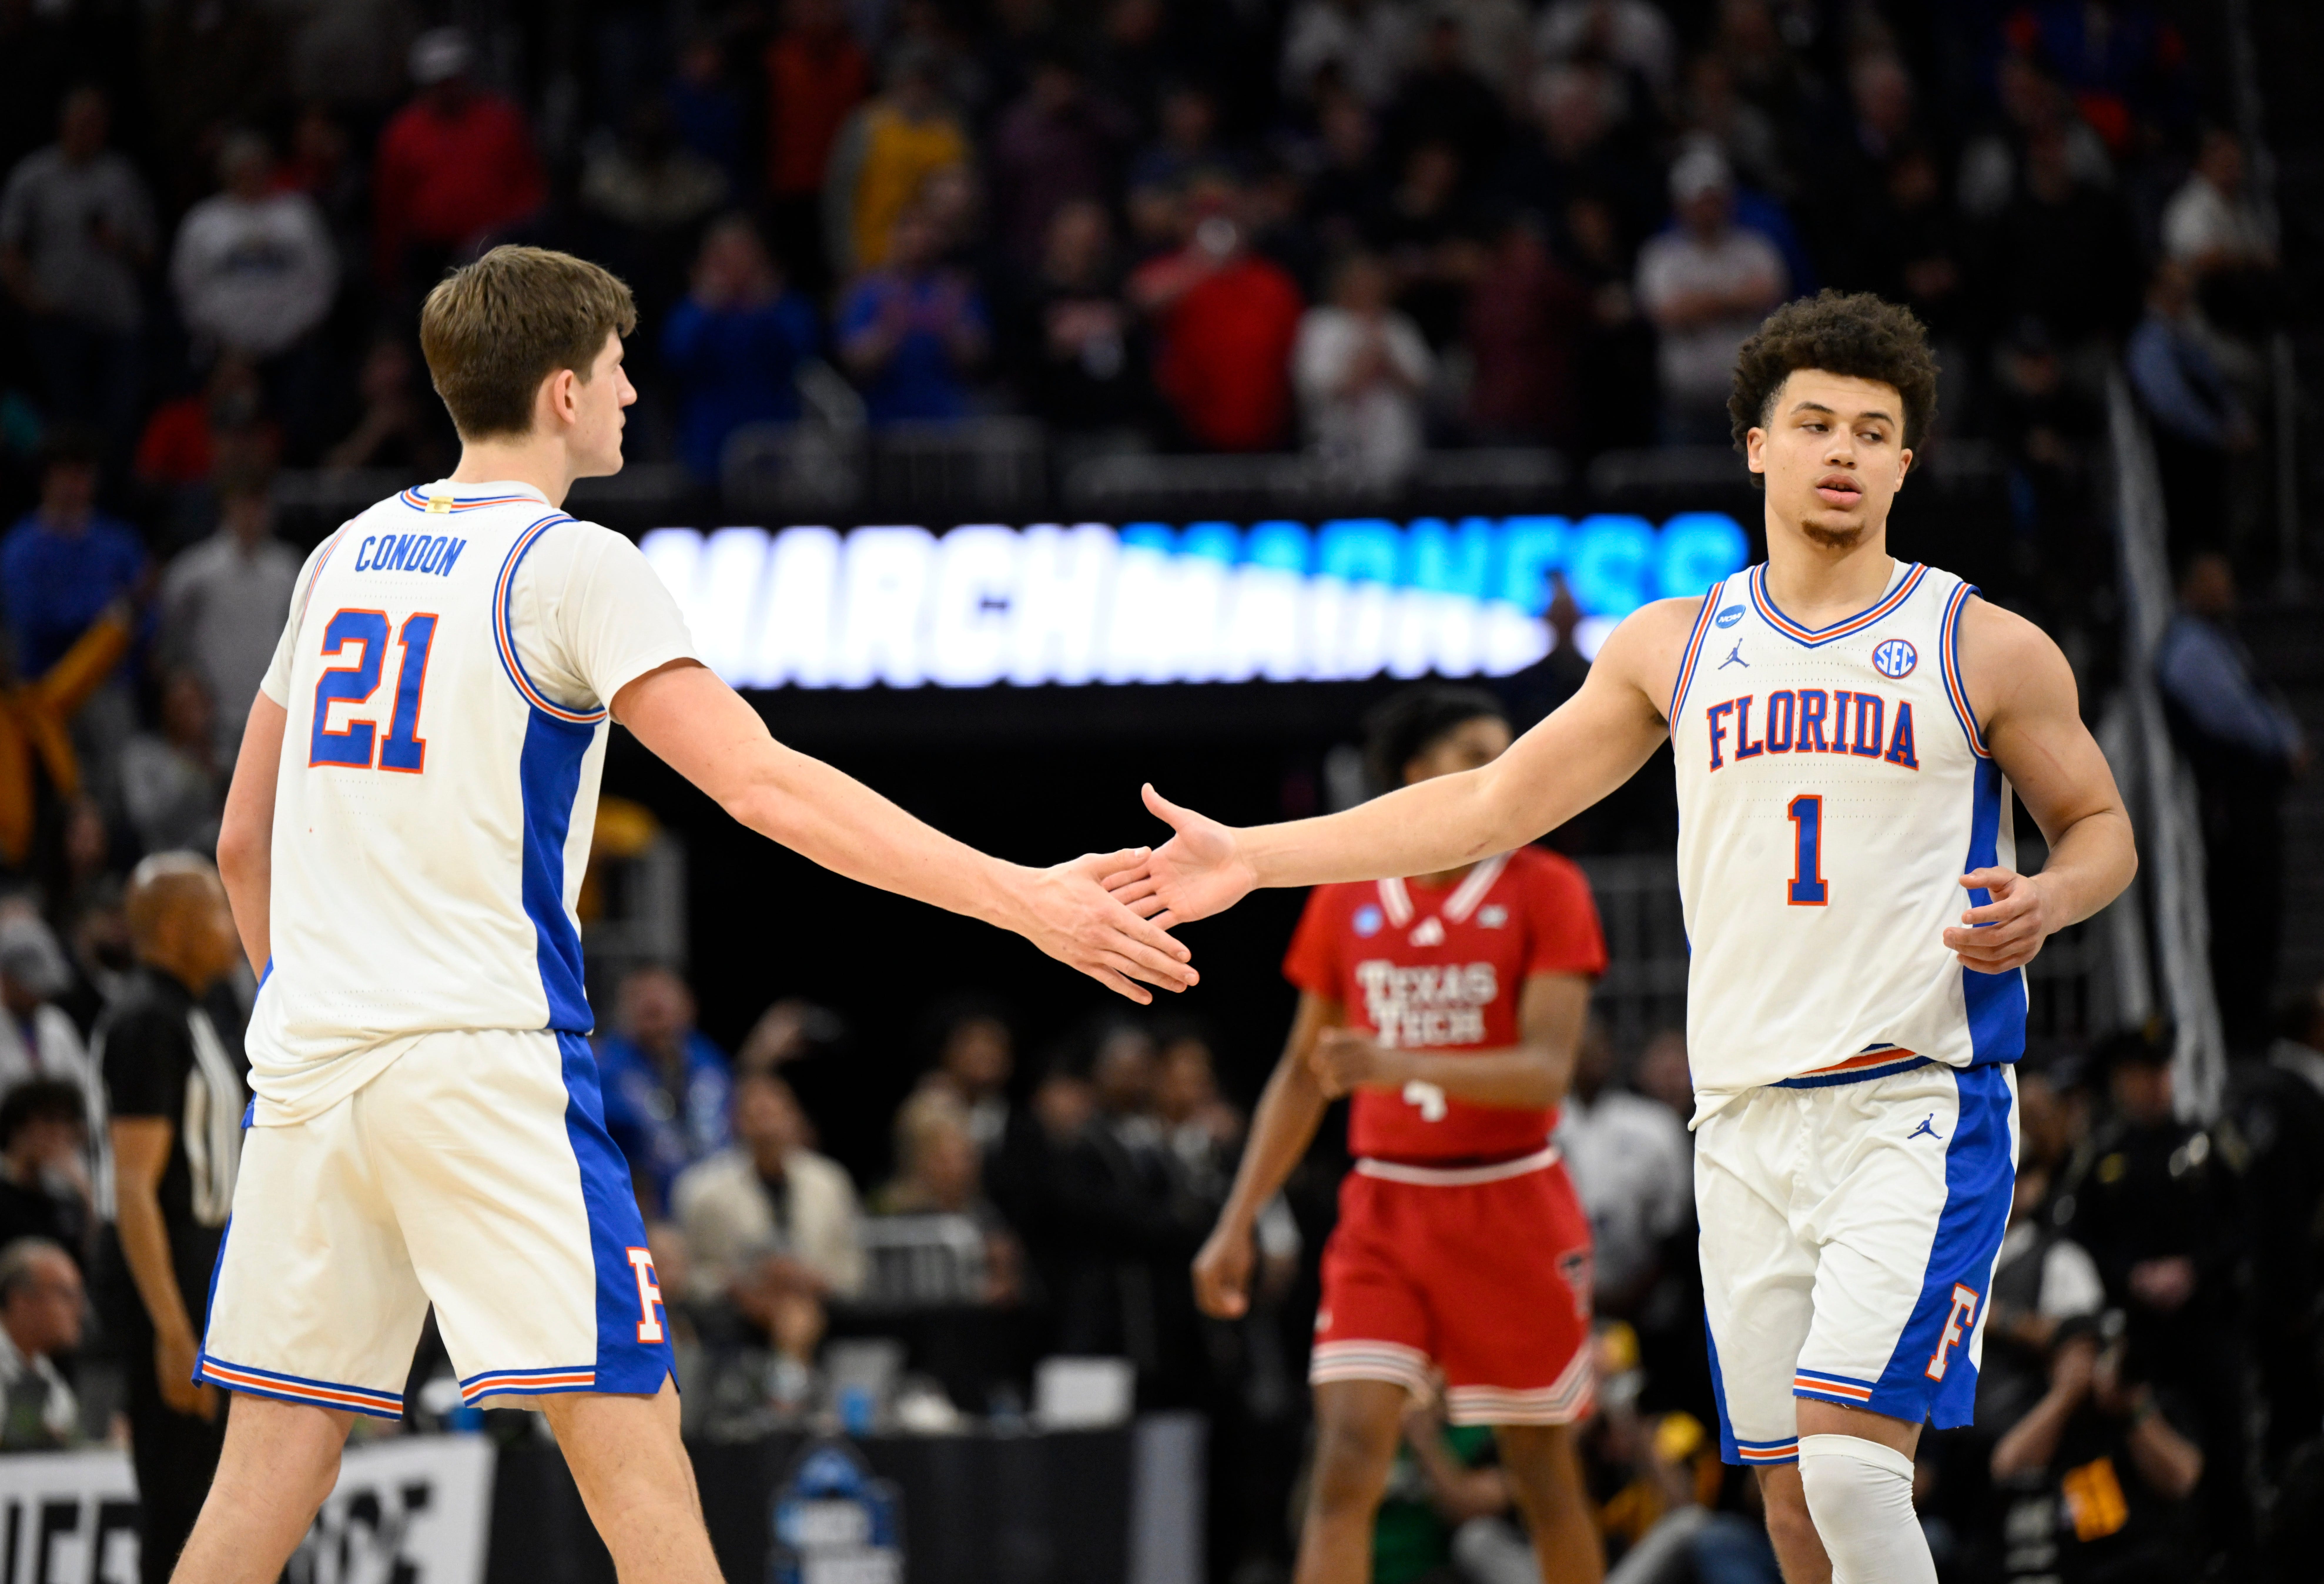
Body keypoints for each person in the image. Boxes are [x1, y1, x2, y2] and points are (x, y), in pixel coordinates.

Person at [181, 243, 1190, 1584]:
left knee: (269, 1471)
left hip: (309, 1070)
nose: (634, 393)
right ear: (557, 393)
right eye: (613, 369)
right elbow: (764, 786)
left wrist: (309, 1015)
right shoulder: (571, 563)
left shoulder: (338, 558)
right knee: (631, 1443)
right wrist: (1021, 900)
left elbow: (242, 842)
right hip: (480, 1063)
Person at [1125, 289, 2139, 1584]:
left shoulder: (1979, 643)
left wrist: (2053, 895)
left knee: (1847, 1465)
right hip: (1738, 1120)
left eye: (1872, 430)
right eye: (1813, 421)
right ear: (1755, 443)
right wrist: (1254, 859)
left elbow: (2104, 823)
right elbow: (1485, 805)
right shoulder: (1679, 643)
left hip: (1912, 1103)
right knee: (1787, 1512)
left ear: (1904, 459)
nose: (1841, 449)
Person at [1190, 682, 1612, 1584]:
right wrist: (1237, 1219)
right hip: (1386, 1205)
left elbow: (1544, 1071)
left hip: (1510, 1201)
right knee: (1344, 1458)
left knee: (1541, 1472)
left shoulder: (1547, 887)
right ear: (1413, 775)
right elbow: (1304, 1076)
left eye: (1510, 753)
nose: (1502, 773)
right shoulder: (1347, 896)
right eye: (1475, 754)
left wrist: (1397, 1063)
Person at [95, 856, 248, 1584]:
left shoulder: (194, 1013)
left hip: (206, 1259)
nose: (231, 926)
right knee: (182, 1499)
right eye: (218, 911)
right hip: (171, 1270)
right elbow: (133, 1187)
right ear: (179, 928)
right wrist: (172, 1328)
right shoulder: (145, 1022)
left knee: (227, 1491)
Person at [2155, 553, 2303, 1051]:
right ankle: (2240, 1036)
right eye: (2216, 583)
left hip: (2247, 803)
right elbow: (2230, 715)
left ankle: (2251, 1029)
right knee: (2241, 920)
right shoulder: (2190, 648)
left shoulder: (2219, 641)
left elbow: (2255, 701)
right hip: (2228, 806)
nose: (2229, 592)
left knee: (2256, 920)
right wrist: (2282, 747)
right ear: (2192, 586)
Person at [0, 87, 155, 443]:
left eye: (99, 124)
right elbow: (9, 250)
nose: (91, 132)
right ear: (64, 124)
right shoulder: (33, 177)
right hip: (59, 321)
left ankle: (112, 497)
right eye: (83, 123)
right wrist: (31, 299)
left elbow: (149, 252)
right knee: (68, 426)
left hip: (119, 323)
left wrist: (120, 244)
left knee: (120, 423)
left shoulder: (121, 176)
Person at [1634, 145, 1786, 444]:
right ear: (1681, 204)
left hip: (1748, 405)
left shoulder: (1755, 249)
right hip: (1686, 407)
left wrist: (1700, 301)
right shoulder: (1661, 256)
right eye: (1700, 202)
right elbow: (1668, 312)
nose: (1708, 209)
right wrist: (1734, 299)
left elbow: (1769, 293)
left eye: (1715, 200)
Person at [671, 1069, 864, 1303]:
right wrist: (740, 1284)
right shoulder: (701, 1189)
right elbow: (687, 1271)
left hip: (823, 1306)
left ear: (795, 1118)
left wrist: (816, 1280)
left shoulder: (830, 1183)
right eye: (757, 1115)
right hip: (734, 1315)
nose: (767, 1126)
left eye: (774, 1113)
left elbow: (852, 1267)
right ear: (735, 1121)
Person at [660, 215, 821, 483]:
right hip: (708, 454)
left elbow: (804, 350)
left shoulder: (781, 307)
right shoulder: (693, 311)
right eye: (725, 256)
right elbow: (676, 355)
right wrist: (707, 305)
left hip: (775, 448)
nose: (735, 264)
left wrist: (766, 303)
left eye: (743, 253)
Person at [1553, 1016, 1692, 1322]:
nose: (1589, 1059)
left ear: (1611, 1054)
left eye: (1596, 1049)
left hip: (1648, 1299)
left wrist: (1638, 1290)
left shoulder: (1654, 1125)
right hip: (1559, 1293)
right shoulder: (1544, 1126)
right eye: (1580, 1049)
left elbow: (1676, 1226)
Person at [159, 469, 303, 758]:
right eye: (243, 504)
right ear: (228, 507)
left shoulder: (291, 570)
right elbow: (169, 642)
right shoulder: (193, 572)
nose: (251, 513)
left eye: (258, 504)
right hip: (211, 721)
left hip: (272, 712)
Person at [168, 132, 338, 363]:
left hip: (295, 348)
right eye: (243, 171)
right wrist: (219, 337)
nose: (251, 177)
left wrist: (302, 327)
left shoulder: (298, 213)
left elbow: (324, 275)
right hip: (226, 354)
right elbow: (187, 286)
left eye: (257, 169)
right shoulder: (203, 221)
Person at [596, 964, 736, 1216]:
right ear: (623, 1012)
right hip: (648, 1211)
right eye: (640, 996)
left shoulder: (709, 1057)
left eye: (662, 993)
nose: (652, 1002)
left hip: (719, 1207)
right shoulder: (606, 1066)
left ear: (688, 1005)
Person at [836, 203, 989, 425]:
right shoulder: (869, 292)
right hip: (885, 428)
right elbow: (853, 360)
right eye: (909, 228)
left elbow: (977, 357)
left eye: (926, 229)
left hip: (948, 427)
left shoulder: (957, 290)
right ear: (894, 236)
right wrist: (889, 330)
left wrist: (950, 324)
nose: (918, 238)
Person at [1292, 250, 1434, 486]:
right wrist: (1363, 365)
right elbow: (1314, 389)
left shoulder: (1397, 326)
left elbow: (1424, 386)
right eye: (1359, 282)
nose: (1368, 290)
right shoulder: (1322, 326)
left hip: (1395, 451)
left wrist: (1389, 362)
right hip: (1337, 450)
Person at [0, 1237, 83, 1448]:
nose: (79, 1310)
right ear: (21, 1301)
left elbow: (67, 1429)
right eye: (66, 1295)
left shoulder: (43, 1369)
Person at [0, 914, 91, 1093]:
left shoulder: (57, 1024)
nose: (40, 995)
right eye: (31, 984)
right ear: (7, 977)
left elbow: (90, 1093)